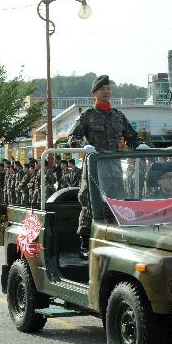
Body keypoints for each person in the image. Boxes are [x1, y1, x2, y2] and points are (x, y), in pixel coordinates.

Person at [68, 75, 144, 258]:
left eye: (109, 89)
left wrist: (141, 145)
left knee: (117, 202)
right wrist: (83, 147)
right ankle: (85, 243)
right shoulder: (87, 115)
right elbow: (72, 137)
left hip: (115, 169)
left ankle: (115, 239)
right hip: (94, 168)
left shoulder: (118, 115)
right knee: (88, 202)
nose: (107, 92)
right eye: (103, 89)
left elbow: (132, 137)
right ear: (95, 93)